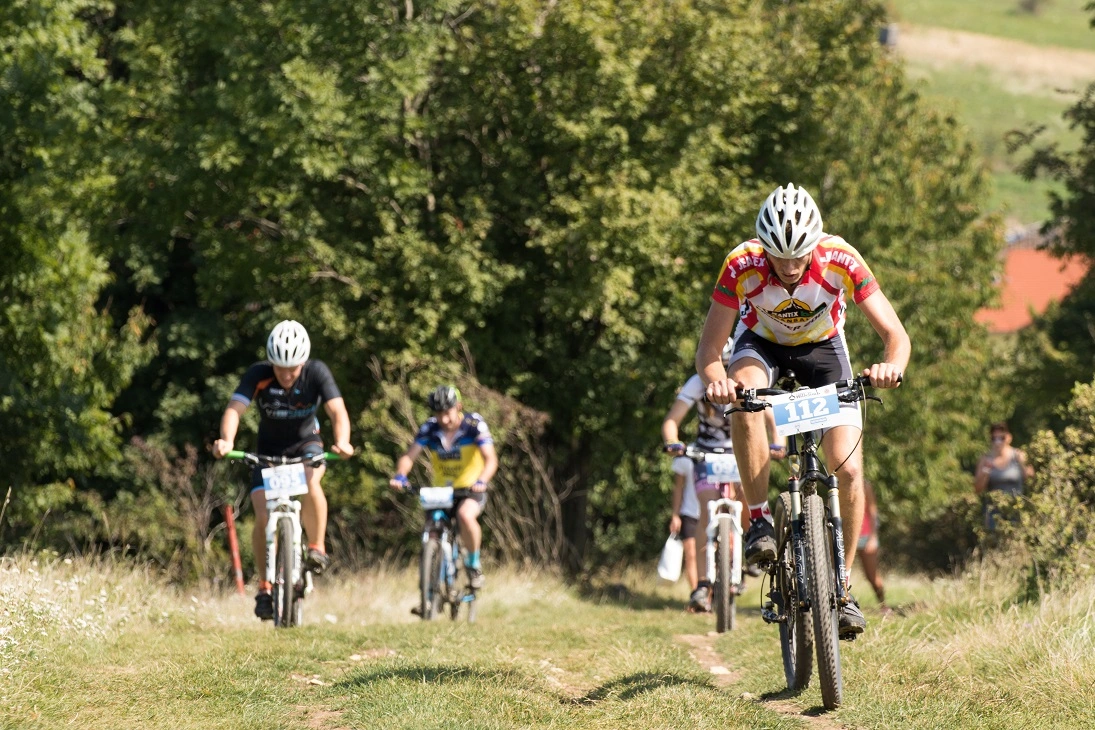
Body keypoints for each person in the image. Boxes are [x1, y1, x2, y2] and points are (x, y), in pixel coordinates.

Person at [697, 183, 910, 639]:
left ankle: (843, 587)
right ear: (763, 248)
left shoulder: (841, 259)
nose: (790, 268)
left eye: (798, 257)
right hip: (762, 346)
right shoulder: (741, 264)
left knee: (848, 470)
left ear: (815, 244)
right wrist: (718, 380)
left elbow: (896, 335)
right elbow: (709, 351)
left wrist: (891, 366)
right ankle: (758, 521)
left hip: (824, 351)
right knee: (744, 396)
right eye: (779, 257)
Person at [212, 320, 354, 621]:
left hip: (307, 444)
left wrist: (343, 441)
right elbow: (234, 409)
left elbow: (337, 411)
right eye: (280, 368)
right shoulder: (258, 374)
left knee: (311, 482)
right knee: (262, 515)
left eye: (293, 369)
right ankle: (264, 587)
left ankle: (316, 547)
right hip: (268, 452)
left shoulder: (317, 372)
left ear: (303, 362)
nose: (287, 375)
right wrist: (226, 440)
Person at [662, 341, 784, 612]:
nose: (726, 372)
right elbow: (672, 420)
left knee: (749, 502)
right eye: (722, 365)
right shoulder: (698, 383)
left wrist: (778, 443)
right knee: (707, 510)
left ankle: (753, 540)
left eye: (730, 366)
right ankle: (703, 583)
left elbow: (771, 416)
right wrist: (673, 441)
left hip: (740, 452)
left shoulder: (747, 378)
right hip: (706, 453)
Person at [389, 385, 498, 590]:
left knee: (465, 516)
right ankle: (430, 590)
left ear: (459, 407)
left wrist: (482, 480)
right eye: (438, 414)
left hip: (470, 489)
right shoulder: (430, 428)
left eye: (447, 413)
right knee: (431, 530)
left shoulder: (474, 424)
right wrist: (400, 475)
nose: (444, 419)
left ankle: (473, 565)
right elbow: (409, 456)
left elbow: (490, 459)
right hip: (441, 492)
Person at [974, 421, 1033, 531]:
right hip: (993, 515)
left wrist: (1022, 465)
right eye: (994, 438)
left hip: (1015, 510)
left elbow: (1031, 479)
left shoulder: (1018, 455)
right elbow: (977, 489)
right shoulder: (985, 459)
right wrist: (985, 472)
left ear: (1009, 438)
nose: (998, 442)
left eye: (1001, 438)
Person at [668, 453, 701, 602]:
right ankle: (697, 597)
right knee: (691, 555)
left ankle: (710, 596)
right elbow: (678, 488)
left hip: (712, 513)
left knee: (710, 556)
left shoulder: (720, 454)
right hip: (689, 513)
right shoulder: (685, 457)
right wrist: (675, 515)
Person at [856, 480, 887, 610]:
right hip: (845, 536)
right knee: (839, 575)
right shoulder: (835, 482)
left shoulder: (865, 485)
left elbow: (873, 512)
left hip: (865, 536)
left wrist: (873, 537)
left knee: (873, 577)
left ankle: (883, 605)